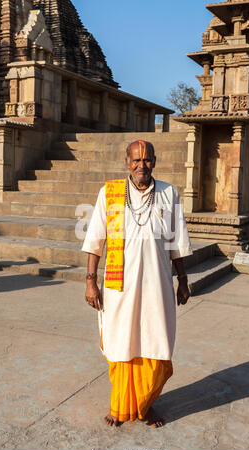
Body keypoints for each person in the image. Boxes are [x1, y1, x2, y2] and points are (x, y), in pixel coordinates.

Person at [82, 140, 193, 428]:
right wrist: (91, 281)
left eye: (147, 160)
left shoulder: (168, 193)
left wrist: (182, 280)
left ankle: (146, 405)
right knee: (122, 342)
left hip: (157, 286)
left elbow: (177, 243)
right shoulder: (110, 193)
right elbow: (95, 241)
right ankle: (121, 405)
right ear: (126, 162)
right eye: (136, 160)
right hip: (120, 288)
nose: (141, 165)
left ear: (154, 161)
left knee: (157, 341)